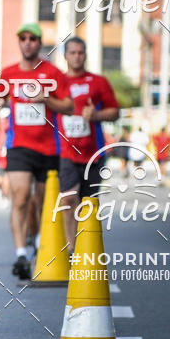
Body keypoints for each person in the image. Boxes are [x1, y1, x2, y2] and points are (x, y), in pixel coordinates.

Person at [0, 23, 73, 280]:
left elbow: (68, 106)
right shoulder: (7, 74)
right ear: (19, 42)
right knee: (19, 199)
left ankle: (42, 244)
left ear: (39, 43)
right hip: (19, 146)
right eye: (24, 38)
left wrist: (46, 100)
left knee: (43, 203)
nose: (28, 42)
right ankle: (21, 254)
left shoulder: (53, 73)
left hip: (49, 148)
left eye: (33, 38)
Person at [58, 37, 119, 251]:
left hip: (93, 153)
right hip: (66, 153)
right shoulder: (57, 82)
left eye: (81, 52)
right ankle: (72, 250)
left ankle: (87, 250)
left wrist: (96, 115)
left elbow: (115, 112)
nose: (77, 56)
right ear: (65, 56)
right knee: (68, 200)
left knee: (88, 204)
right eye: (72, 52)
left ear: (86, 55)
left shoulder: (98, 82)